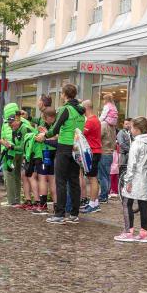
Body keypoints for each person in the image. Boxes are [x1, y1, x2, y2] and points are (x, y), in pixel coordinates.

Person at [36, 83, 86, 225]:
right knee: (74, 181)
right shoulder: (81, 111)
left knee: (61, 181)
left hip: (64, 147)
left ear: (64, 94)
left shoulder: (66, 109)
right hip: (76, 148)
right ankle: (74, 214)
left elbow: (55, 129)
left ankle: (60, 214)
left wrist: (44, 135)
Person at [114, 117, 147, 243]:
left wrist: (128, 181)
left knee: (127, 203)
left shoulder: (137, 143)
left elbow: (132, 164)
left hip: (135, 179)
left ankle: (128, 232)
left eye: (132, 128)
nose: (130, 130)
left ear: (138, 129)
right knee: (144, 205)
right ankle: (143, 234)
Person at [31, 107, 57, 215]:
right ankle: (56, 206)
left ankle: (43, 206)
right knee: (52, 179)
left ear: (45, 117)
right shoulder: (57, 125)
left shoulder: (43, 126)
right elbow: (57, 137)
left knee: (42, 179)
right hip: (53, 153)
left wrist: (42, 137)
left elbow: (38, 138)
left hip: (43, 153)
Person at [0, 103, 23, 207]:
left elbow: (7, 138)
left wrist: (4, 147)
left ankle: (11, 200)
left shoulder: (7, 123)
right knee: (17, 176)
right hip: (19, 152)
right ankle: (17, 199)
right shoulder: (21, 120)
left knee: (9, 176)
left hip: (10, 152)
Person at [81, 100, 102, 214]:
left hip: (93, 152)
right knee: (92, 178)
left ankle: (93, 203)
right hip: (95, 151)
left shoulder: (90, 121)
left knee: (92, 178)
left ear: (86, 108)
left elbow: (80, 135)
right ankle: (94, 203)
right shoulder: (95, 119)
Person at [98, 105, 117, 205]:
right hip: (110, 153)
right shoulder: (113, 126)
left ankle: (103, 196)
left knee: (102, 176)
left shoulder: (104, 124)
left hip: (103, 152)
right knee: (107, 175)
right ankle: (105, 195)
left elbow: (98, 137)